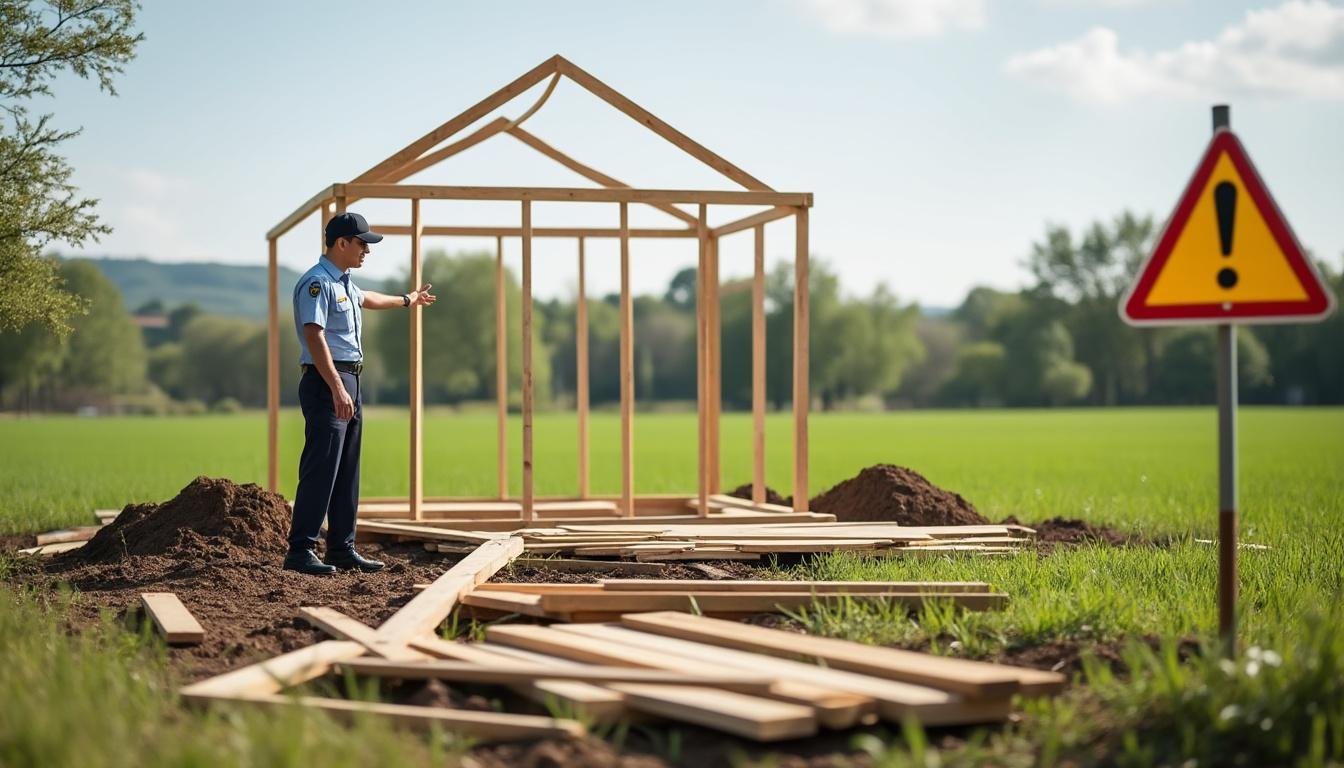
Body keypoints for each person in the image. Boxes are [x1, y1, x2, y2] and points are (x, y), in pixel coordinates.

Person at [283, 211, 436, 575]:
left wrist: (407, 299)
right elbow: (313, 335)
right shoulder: (317, 283)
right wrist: (336, 386)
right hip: (327, 381)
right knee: (321, 467)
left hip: (350, 381)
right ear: (341, 244)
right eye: (362, 243)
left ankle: (341, 548)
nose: (367, 250)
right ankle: (300, 550)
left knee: (346, 469)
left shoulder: (345, 284)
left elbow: (368, 298)